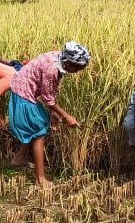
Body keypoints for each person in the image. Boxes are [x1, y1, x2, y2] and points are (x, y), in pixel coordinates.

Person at [6, 42, 91, 188]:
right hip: (23, 94)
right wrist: (66, 116)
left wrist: (53, 112)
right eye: (77, 67)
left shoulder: (57, 57)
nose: (78, 71)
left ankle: (18, 159)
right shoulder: (52, 69)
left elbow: (50, 91)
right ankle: (41, 180)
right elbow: (48, 98)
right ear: (69, 62)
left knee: (39, 125)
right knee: (39, 131)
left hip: (25, 91)